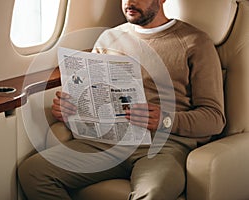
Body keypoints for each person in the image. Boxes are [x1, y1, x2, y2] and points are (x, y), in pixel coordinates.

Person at [18, 0, 226, 199]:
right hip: (105, 142)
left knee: (152, 192)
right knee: (33, 172)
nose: (129, 2)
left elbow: (214, 118)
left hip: (162, 146)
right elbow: (94, 101)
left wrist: (164, 119)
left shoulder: (195, 43)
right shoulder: (108, 39)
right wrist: (71, 112)